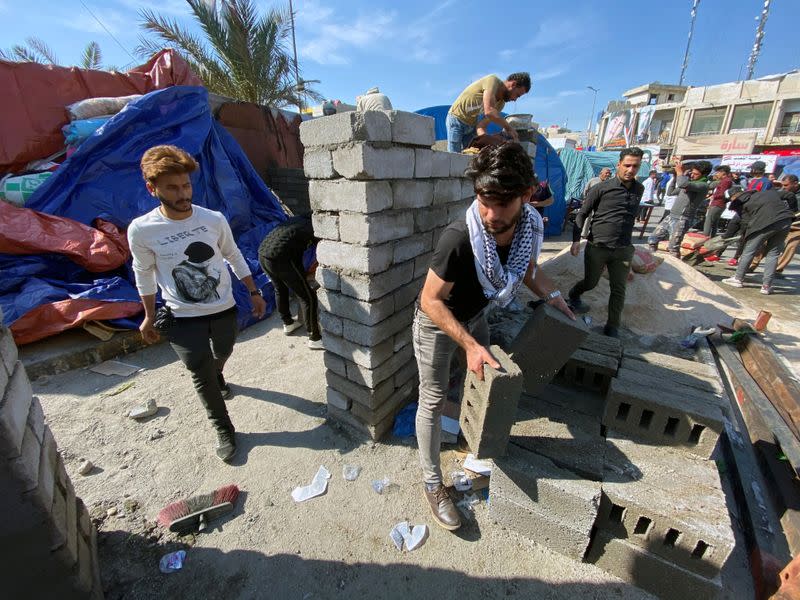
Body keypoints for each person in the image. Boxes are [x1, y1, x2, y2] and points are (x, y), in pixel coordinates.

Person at [413, 142, 573, 531]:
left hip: (477, 314)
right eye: (484, 201)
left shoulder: (529, 227)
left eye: (501, 203)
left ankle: (471, 440)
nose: (490, 214)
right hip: (437, 322)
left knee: (481, 380)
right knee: (433, 400)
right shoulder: (460, 237)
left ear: (526, 195)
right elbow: (430, 300)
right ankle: (432, 483)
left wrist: (553, 297)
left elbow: (529, 270)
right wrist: (468, 345)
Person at [128, 145, 267, 462]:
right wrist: (149, 316)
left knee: (224, 350)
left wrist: (254, 291)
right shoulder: (143, 230)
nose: (182, 194)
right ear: (153, 189)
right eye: (172, 188)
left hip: (223, 308)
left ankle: (218, 371)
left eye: (186, 185)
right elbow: (144, 272)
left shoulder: (212, 220)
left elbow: (233, 255)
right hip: (180, 316)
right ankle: (223, 428)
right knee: (199, 371)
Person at [568, 147, 645, 338]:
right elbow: (582, 213)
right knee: (591, 282)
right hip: (597, 247)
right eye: (627, 165)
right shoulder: (601, 188)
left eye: (635, 166)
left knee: (619, 289)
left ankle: (612, 327)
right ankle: (574, 294)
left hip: (623, 249)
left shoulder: (639, 189)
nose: (630, 170)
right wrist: (576, 240)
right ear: (618, 164)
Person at [258, 214, 322, 349]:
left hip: (263, 254)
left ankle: (288, 323)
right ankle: (314, 337)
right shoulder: (313, 228)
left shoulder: (299, 220)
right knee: (308, 297)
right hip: (281, 258)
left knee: (280, 288)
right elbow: (323, 248)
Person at [721, 185, 795, 294]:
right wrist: (793, 210)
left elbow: (745, 223)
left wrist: (744, 237)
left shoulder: (741, 204)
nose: (730, 201)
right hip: (785, 221)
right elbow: (789, 194)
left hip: (763, 224)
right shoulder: (768, 192)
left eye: (730, 199)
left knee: (749, 251)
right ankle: (766, 286)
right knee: (773, 253)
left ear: (734, 196)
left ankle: (738, 279)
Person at [446, 73, 531, 153]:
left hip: (471, 125)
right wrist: (509, 128)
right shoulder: (492, 81)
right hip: (456, 119)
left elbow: (481, 126)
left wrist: (488, 143)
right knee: (454, 156)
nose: (515, 99)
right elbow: (489, 111)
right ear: (513, 84)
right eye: (517, 95)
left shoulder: (500, 104)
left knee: (471, 156)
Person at [749, 175, 800, 275]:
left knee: (791, 245)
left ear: (795, 184)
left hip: (796, 224)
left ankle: (777, 270)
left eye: (786, 185)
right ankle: (752, 264)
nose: (784, 187)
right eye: (783, 185)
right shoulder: (782, 192)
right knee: (764, 241)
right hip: (780, 220)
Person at [667, 157, 713, 258]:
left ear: (704, 175)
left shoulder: (703, 185)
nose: (692, 175)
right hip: (672, 215)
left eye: (695, 174)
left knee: (673, 247)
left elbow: (683, 183)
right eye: (692, 172)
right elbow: (670, 192)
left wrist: (680, 172)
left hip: (683, 218)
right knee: (653, 239)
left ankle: (675, 268)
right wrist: (675, 176)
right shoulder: (688, 183)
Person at [703, 165, 733, 241]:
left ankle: (704, 238)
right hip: (718, 203)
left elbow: (722, 193)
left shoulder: (726, 181)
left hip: (718, 203)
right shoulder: (724, 181)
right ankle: (712, 238)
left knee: (709, 222)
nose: (717, 174)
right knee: (714, 222)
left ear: (723, 173)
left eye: (718, 172)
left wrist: (713, 197)